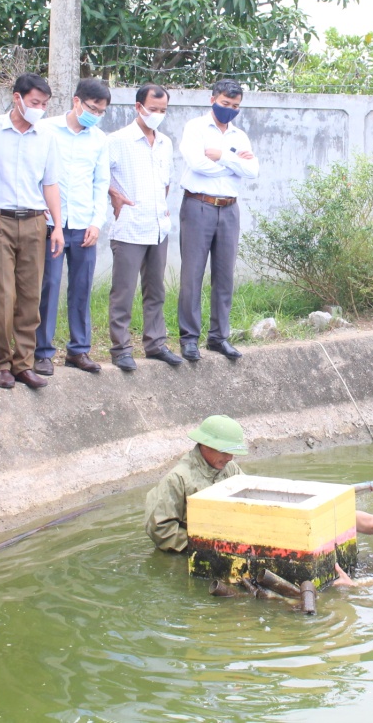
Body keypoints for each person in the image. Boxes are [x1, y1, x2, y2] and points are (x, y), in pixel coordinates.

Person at [0, 73, 64, 389]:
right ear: (17, 98)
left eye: (44, 104)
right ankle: (0, 364)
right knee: (1, 295)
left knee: (30, 296)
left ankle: (24, 363)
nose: (39, 108)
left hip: (34, 221)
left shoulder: (47, 136)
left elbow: (50, 182)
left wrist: (56, 226)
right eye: (34, 102)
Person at [177, 79, 259, 362]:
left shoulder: (239, 135)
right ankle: (189, 338)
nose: (230, 109)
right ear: (212, 99)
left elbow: (252, 171)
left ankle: (218, 337)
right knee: (193, 275)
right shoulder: (195, 128)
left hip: (229, 209)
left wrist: (222, 155)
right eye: (225, 103)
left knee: (224, 276)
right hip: (199, 205)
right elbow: (197, 163)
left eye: (235, 106)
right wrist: (235, 163)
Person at [35, 78, 111, 375]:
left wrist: (96, 222)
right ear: (76, 101)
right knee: (48, 287)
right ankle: (42, 352)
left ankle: (79, 350)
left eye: (101, 111)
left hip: (83, 225)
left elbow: (101, 182)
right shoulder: (46, 129)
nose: (95, 115)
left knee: (81, 288)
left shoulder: (99, 139)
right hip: (50, 224)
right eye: (92, 108)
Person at [107, 83, 182, 371]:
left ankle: (155, 344)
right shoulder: (118, 140)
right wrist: (114, 195)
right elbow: (101, 179)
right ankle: (121, 348)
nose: (157, 115)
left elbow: (166, 183)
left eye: (162, 110)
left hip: (158, 227)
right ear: (138, 107)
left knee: (156, 290)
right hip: (129, 228)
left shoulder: (165, 142)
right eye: (153, 109)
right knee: (123, 291)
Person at [144, 414, 247, 552]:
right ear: (205, 445)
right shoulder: (177, 478)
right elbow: (160, 528)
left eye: (232, 452)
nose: (229, 457)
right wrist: (204, 547)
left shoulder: (231, 468)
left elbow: (249, 500)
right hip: (187, 554)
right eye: (224, 451)